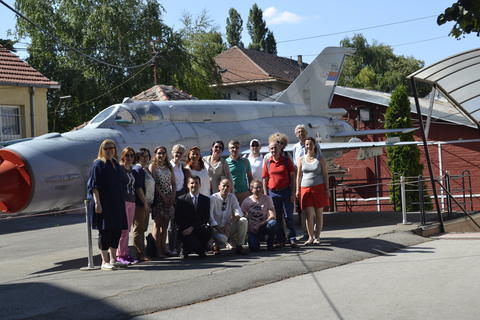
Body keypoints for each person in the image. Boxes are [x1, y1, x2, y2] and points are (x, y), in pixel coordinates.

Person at [86, 139, 128, 270]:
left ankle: (114, 259)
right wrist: (98, 203)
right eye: (107, 148)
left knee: (116, 230)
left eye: (112, 148)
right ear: (102, 150)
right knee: (105, 231)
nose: (109, 150)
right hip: (104, 203)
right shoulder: (98, 164)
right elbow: (94, 186)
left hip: (117, 203)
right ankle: (104, 261)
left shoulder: (115, 163)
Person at [263, 139, 297, 247]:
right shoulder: (268, 161)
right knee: (277, 217)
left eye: (275, 148)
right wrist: (265, 195)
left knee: (288, 216)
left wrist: (293, 193)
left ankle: (292, 238)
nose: (274, 150)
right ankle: (280, 239)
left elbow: (292, 177)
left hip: (286, 191)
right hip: (273, 193)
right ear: (269, 150)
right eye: (271, 148)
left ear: (280, 149)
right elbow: (265, 179)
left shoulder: (286, 161)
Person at [296, 137, 329, 245]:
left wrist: (327, 189)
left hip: (318, 188)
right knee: (308, 214)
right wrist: (297, 189)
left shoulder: (320, 159)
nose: (308, 146)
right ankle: (310, 237)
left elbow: (325, 175)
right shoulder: (301, 159)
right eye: (306, 145)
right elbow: (299, 175)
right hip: (305, 188)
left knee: (319, 213)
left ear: (314, 145)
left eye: (310, 144)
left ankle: (317, 237)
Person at [175, 175, 213, 258]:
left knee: (208, 230)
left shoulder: (206, 200)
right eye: (192, 183)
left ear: (200, 185)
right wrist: (186, 228)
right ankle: (185, 249)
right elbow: (178, 218)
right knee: (193, 243)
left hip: (198, 228)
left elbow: (205, 217)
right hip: (185, 230)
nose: (194, 185)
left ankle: (200, 249)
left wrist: (193, 227)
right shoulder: (181, 200)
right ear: (188, 185)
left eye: (196, 183)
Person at [149, 146, 176, 258]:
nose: (161, 155)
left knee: (165, 226)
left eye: (163, 153)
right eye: (159, 153)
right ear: (155, 154)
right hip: (159, 199)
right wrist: (163, 196)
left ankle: (163, 248)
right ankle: (157, 250)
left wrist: (172, 195)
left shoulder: (169, 167)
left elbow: (173, 183)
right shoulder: (153, 167)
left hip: (169, 199)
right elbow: (154, 184)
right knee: (157, 225)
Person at [209, 179, 248, 255]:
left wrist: (229, 224)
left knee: (243, 220)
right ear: (219, 187)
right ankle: (215, 245)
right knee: (223, 239)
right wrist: (220, 229)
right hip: (216, 228)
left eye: (228, 186)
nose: (225, 188)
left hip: (228, 227)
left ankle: (239, 246)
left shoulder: (232, 197)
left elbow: (239, 212)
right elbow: (210, 217)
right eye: (223, 186)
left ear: (230, 188)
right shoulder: (213, 198)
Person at [131, 148, 155, 261]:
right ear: (138, 157)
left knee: (143, 228)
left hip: (147, 202)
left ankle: (142, 252)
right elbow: (138, 187)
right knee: (139, 229)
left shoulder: (145, 169)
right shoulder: (138, 169)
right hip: (140, 204)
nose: (145, 158)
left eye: (146, 156)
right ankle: (140, 254)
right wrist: (144, 202)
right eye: (142, 156)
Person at [116, 147, 138, 265]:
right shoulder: (120, 169)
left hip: (132, 200)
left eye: (132, 155)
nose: (130, 158)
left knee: (128, 229)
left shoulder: (131, 169)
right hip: (123, 201)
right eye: (127, 155)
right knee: (122, 229)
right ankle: (119, 255)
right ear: (123, 156)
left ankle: (125, 253)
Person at [241, 180, 277, 252]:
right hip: (252, 229)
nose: (259, 189)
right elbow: (242, 216)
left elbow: (273, 216)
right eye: (256, 187)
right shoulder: (246, 201)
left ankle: (270, 244)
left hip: (264, 226)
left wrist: (261, 224)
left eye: (260, 187)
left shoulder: (267, 199)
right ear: (251, 189)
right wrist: (248, 227)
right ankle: (254, 240)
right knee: (254, 249)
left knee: (273, 223)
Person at [168, 144, 190, 255]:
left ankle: (178, 246)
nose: (178, 154)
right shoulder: (168, 165)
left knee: (180, 222)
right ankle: (172, 248)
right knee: (171, 223)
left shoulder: (182, 167)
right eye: (176, 152)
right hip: (172, 195)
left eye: (181, 153)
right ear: (172, 152)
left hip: (181, 195)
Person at [226, 140, 253, 204]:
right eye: (232, 148)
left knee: (245, 212)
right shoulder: (225, 162)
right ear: (229, 149)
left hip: (244, 193)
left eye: (237, 147)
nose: (235, 149)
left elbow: (250, 176)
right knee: (233, 213)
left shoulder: (245, 161)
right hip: (231, 193)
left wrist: (251, 190)